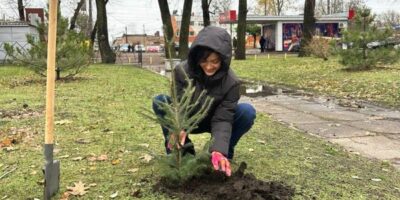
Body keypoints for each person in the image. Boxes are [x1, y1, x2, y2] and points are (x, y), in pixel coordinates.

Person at [152, 26, 256, 177]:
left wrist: (218, 149)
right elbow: (177, 103)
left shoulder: (231, 83)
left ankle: (222, 153)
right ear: (197, 57)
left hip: (214, 121)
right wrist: (179, 126)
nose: (208, 66)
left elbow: (223, 118)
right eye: (204, 61)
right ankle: (182, 151)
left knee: (247, 112)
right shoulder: (181, 71)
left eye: (215, 61)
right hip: (188, 119)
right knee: (160, 101)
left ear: (223, 59)